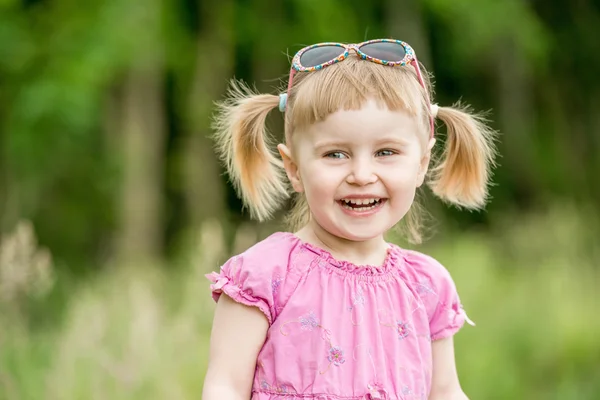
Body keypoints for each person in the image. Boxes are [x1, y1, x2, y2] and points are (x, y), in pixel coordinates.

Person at [203, 39, 497, 400]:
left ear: (421, 163)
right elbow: (225, 387)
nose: (361, 174)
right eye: (336, 154)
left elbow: (446, 392)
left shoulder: (427, 286)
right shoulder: (267, 277)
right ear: (294, 168)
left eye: (385, 152)